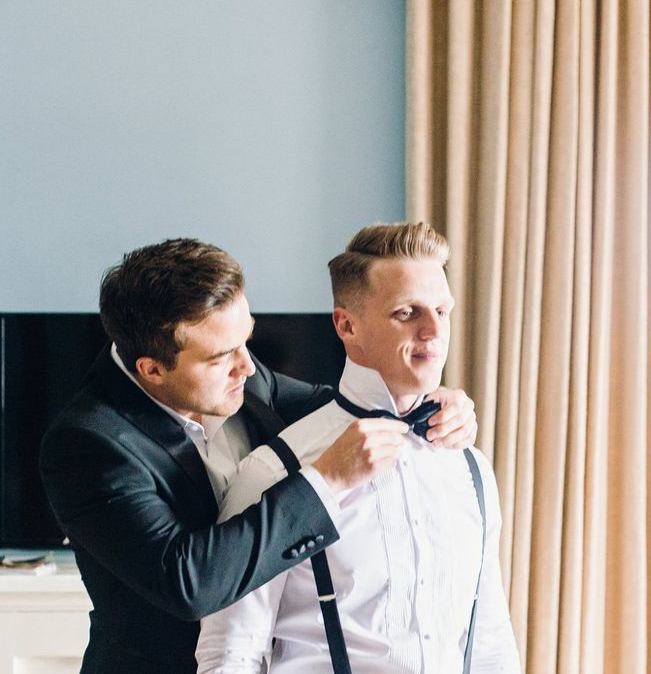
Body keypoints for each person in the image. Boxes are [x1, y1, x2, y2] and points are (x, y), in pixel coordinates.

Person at [39, 238, 478, 674]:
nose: (248, 368)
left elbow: (341, 406)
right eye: (220, 358)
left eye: (245, 340)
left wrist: (439, 402)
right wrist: (326, 482)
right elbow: (187, 582)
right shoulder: (87, 443)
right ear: (152, 369)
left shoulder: (239, 376)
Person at [197, 223, 520, 673]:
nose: (433, 332)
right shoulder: (275, 472)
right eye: (407, 313)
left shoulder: (469, 465)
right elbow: (230, 656)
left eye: (442, 311)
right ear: (347, 325)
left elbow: (489, 637)